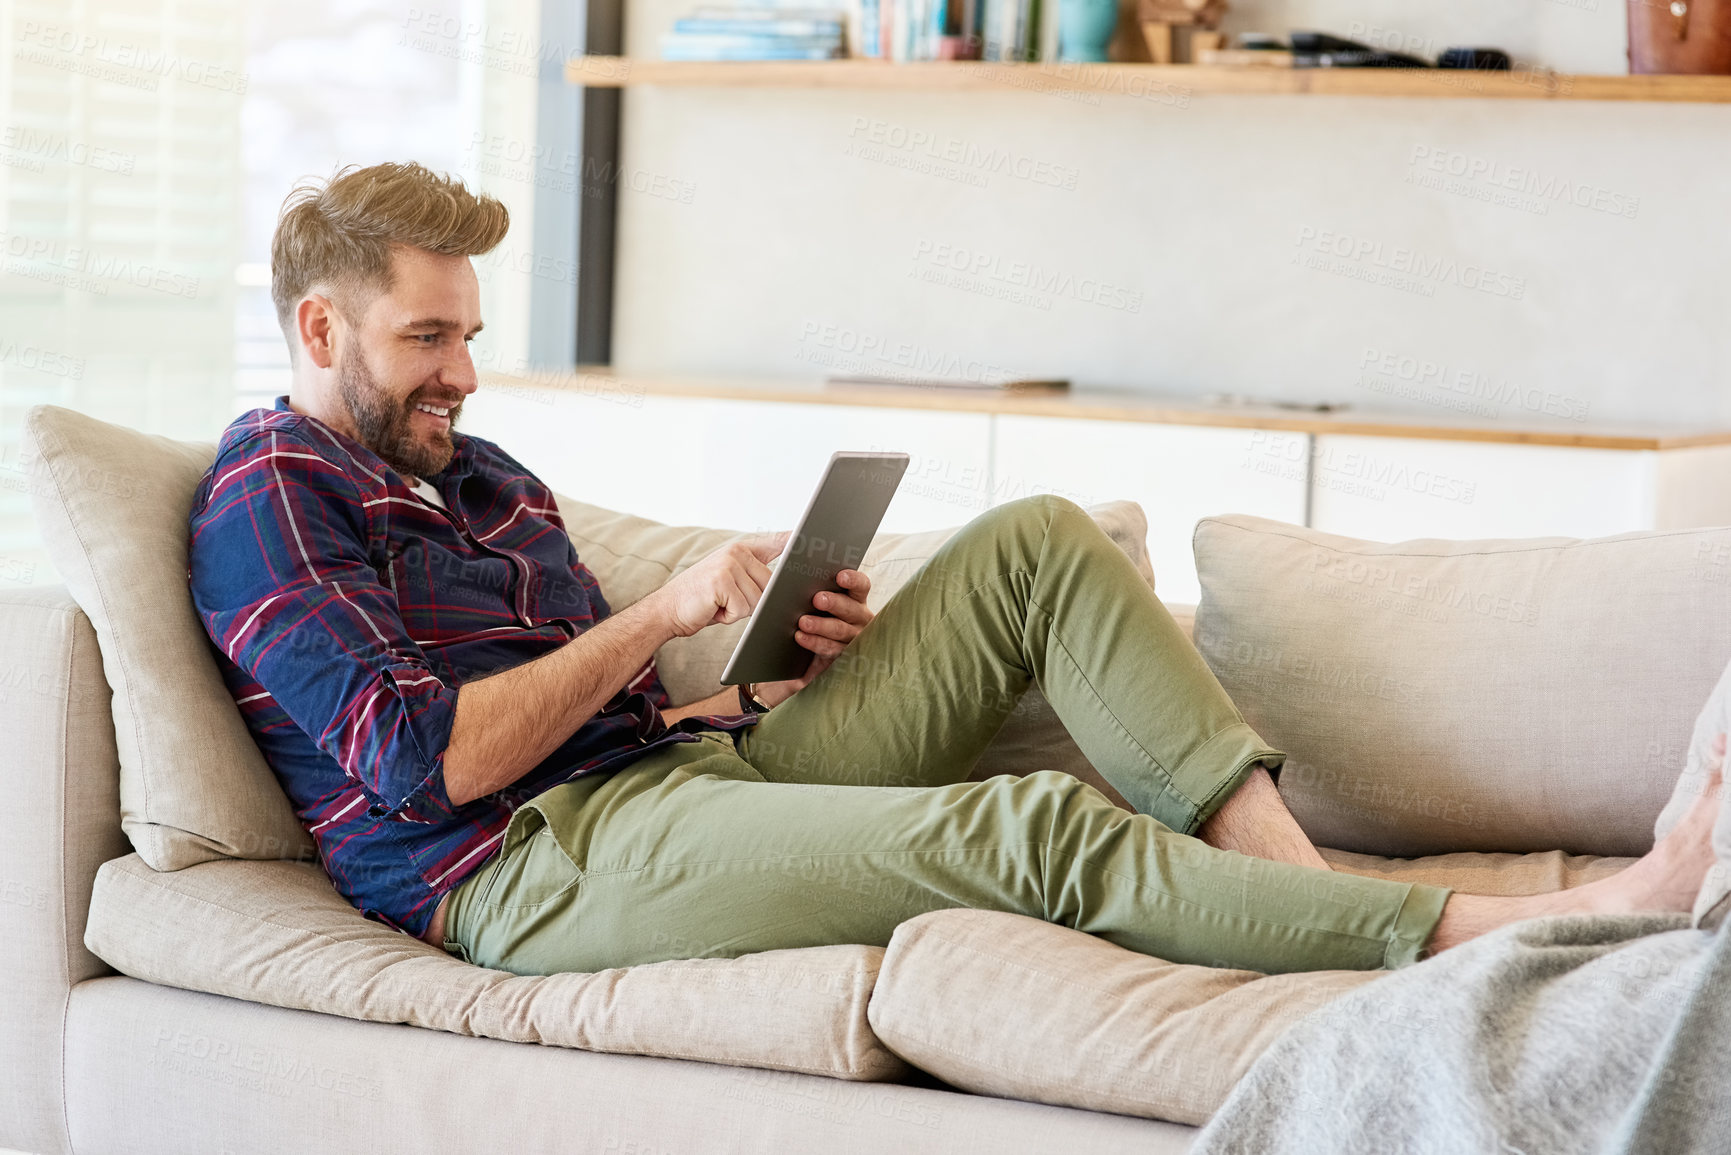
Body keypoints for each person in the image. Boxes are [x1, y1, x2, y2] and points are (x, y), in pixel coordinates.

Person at [188, 162, 1722, 979]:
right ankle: (1490, 932)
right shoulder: (271, 496)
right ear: (321, 331)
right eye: (429, 338)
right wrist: (665, 606)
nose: (467, 368)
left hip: (678, 781)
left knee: (1037, 543)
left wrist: (767, 666)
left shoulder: (482, 474)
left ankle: (1289, 887)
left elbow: (611, 700)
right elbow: (422, 765)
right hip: (524, 873)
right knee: (1027, 824)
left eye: (469, 330)